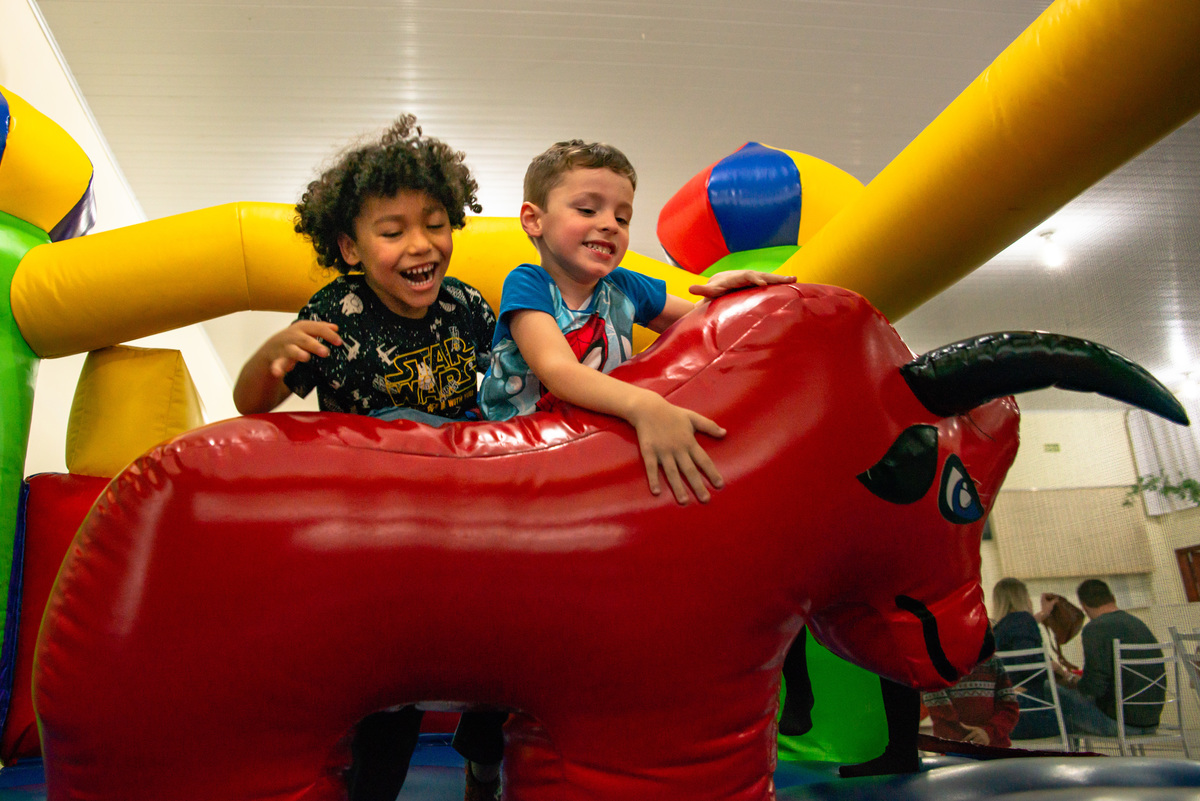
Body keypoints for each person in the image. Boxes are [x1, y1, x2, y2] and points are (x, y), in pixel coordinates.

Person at [233, 115, 503, 801]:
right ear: (351, 247)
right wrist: (270, 356)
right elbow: (252, 405)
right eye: (393, 230)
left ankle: (483, 758)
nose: (421, 244)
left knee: (499, 651)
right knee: (394, 690)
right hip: (376, 522)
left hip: (456, 507)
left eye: (436, 222)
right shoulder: (336, 313)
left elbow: (496, 400)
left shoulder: (468, 305)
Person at [477, 139, 795, 504]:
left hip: (589, 435)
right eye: (587, 210)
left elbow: (701, 331)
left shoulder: (625, 285)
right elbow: (557, 370)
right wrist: (644, 405)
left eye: (622, 217)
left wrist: (722, 296)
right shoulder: (529, 284)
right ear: (534, 220)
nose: (609, 225)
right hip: (518, 443)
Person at [1049, 578, 1164, 738]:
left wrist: (1069, 679)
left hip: (1117, 723)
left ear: (1083, 606)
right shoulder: (1138, 624)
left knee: (1047, 688)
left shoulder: (1095, 629)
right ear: (1112, 598)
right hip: (1151, 721)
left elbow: (1093, 688)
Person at [991, 577, 1059, 740]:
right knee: (1081, 709)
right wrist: (1052, 668)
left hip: (1003, 716)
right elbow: (1026, 665)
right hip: (1031, 714)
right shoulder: (1024, 620)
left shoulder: (997, 631)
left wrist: (1042, 615)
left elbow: (1017, 630)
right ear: (1022, 597)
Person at [922, 655, 1019, 748]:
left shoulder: (992, 661)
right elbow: (941, 714)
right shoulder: (934, 663)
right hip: (954, 749)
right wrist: (979, 737)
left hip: (995, 748)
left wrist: (988, 733)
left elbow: (1010, 708)